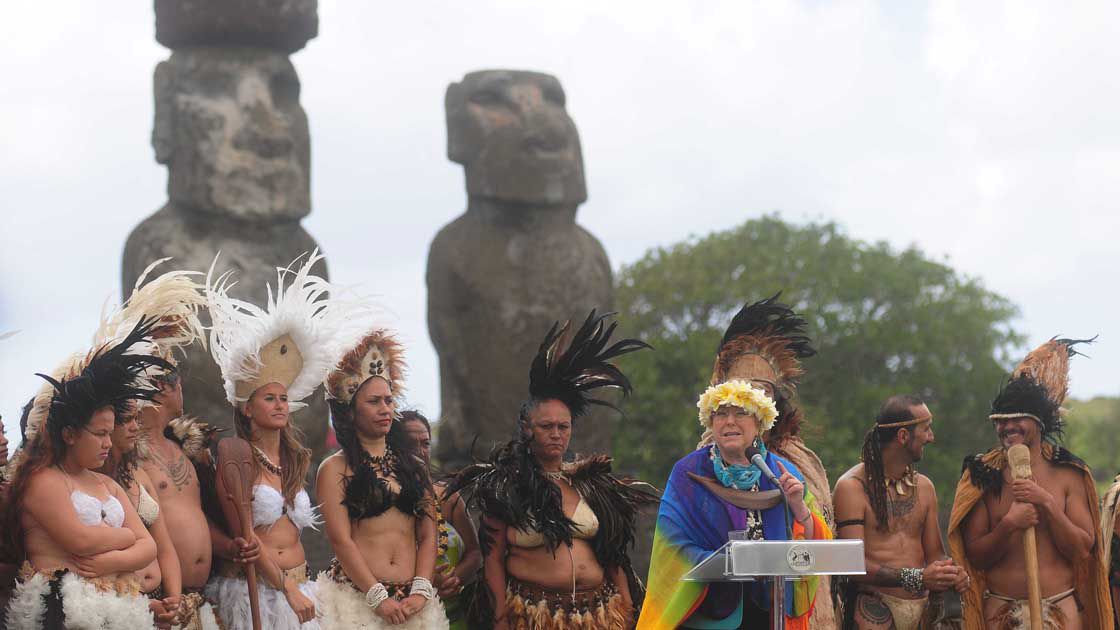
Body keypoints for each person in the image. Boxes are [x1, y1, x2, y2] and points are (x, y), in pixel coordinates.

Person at [446, 310, 657, 629]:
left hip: (600, 614)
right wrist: (501, 618)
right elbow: (493, 559)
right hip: (534, 616)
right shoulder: (506, 488)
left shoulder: (591, 486)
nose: (556, 433)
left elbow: (613, 553)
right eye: (546, 426)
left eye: (563, 426)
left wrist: (627, 607)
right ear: (526, 427)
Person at [203, 249, 365, 630]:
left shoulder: (293, 461)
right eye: (269, 398)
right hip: (256, 594)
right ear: (247, 408)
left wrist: (297, 590)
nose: (280, 405)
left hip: (300, 588)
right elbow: (247, 537)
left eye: (283, 399)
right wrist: (285, 590)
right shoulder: (235, 456)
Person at [3, 319, 170, 629]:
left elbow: (149, 548)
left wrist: (111, 560)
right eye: (99, 434)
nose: (108, 443)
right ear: (69, 434)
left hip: (119, 608)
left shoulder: (106, 483)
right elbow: (79, 540)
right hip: (62, 609)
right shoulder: (43, 480)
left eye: (110, 433)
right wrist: (126, 537)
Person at [637, 379, 832, 630]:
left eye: (741, 413)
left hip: (770, 613)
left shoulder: (783, 473)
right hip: (710, 614)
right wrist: (730, 563)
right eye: (720, 414)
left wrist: (799, 509)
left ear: (759, 423)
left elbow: (818, 548)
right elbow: (671, 548)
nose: (729, 421)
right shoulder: (688, 472)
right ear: (711, 423)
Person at [949, 338, 1112, 629]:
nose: (1007, 427)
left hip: (1060, 613)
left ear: (1039, 424)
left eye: (1017, 419)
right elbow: (975, 555)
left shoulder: (1067, 474)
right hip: (1001, 614)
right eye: (1000, 421)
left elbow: (1081, 550)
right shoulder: (984, 475)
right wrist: (1009, 524)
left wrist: (1046, 503)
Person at [705, 294, 837, 628]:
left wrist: (799, 510)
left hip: (779, 607)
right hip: (718, 609)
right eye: (732, 408)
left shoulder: (795, 466)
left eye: (751, 406)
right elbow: (677, 543)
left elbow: (820, 541)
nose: (738, 418)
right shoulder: (696, 466)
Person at [314, 329, 448, 629]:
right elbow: (341, 540)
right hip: (357, 604)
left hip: (413, 604)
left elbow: (428, 534)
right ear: (350, 412)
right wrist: (378, 599)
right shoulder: (334, 469)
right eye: (374, 402)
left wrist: (422, 590)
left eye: (388, 400)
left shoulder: (413, 465)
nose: (385, 409)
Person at [832, 395, 967, 629]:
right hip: (874, 609)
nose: (931, 437)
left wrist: (950, 572)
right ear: (903, 436)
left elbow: (935, 553)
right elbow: (851, 564)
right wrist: (917, 577)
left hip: (923, 609)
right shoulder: (852, 488)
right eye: (926, 430)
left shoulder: (925, 487)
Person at [100, 406, 184, 628]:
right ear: (107, 425)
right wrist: (140, 606)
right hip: (121, 605)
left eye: (136, 418)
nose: (135, 426)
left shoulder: (138, 473)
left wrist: (174, 600)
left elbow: (164, 545)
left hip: (162, 597)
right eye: (126, 420)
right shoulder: (93, 481)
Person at [401, 409, 482, 630]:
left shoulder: (448, 497)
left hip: (453, 616)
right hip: (405, 616)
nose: (419, 450)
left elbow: (475, 552)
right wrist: (425, 583)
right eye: (410, 443)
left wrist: (455, 578)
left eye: (425, 443)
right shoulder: (382, 501)